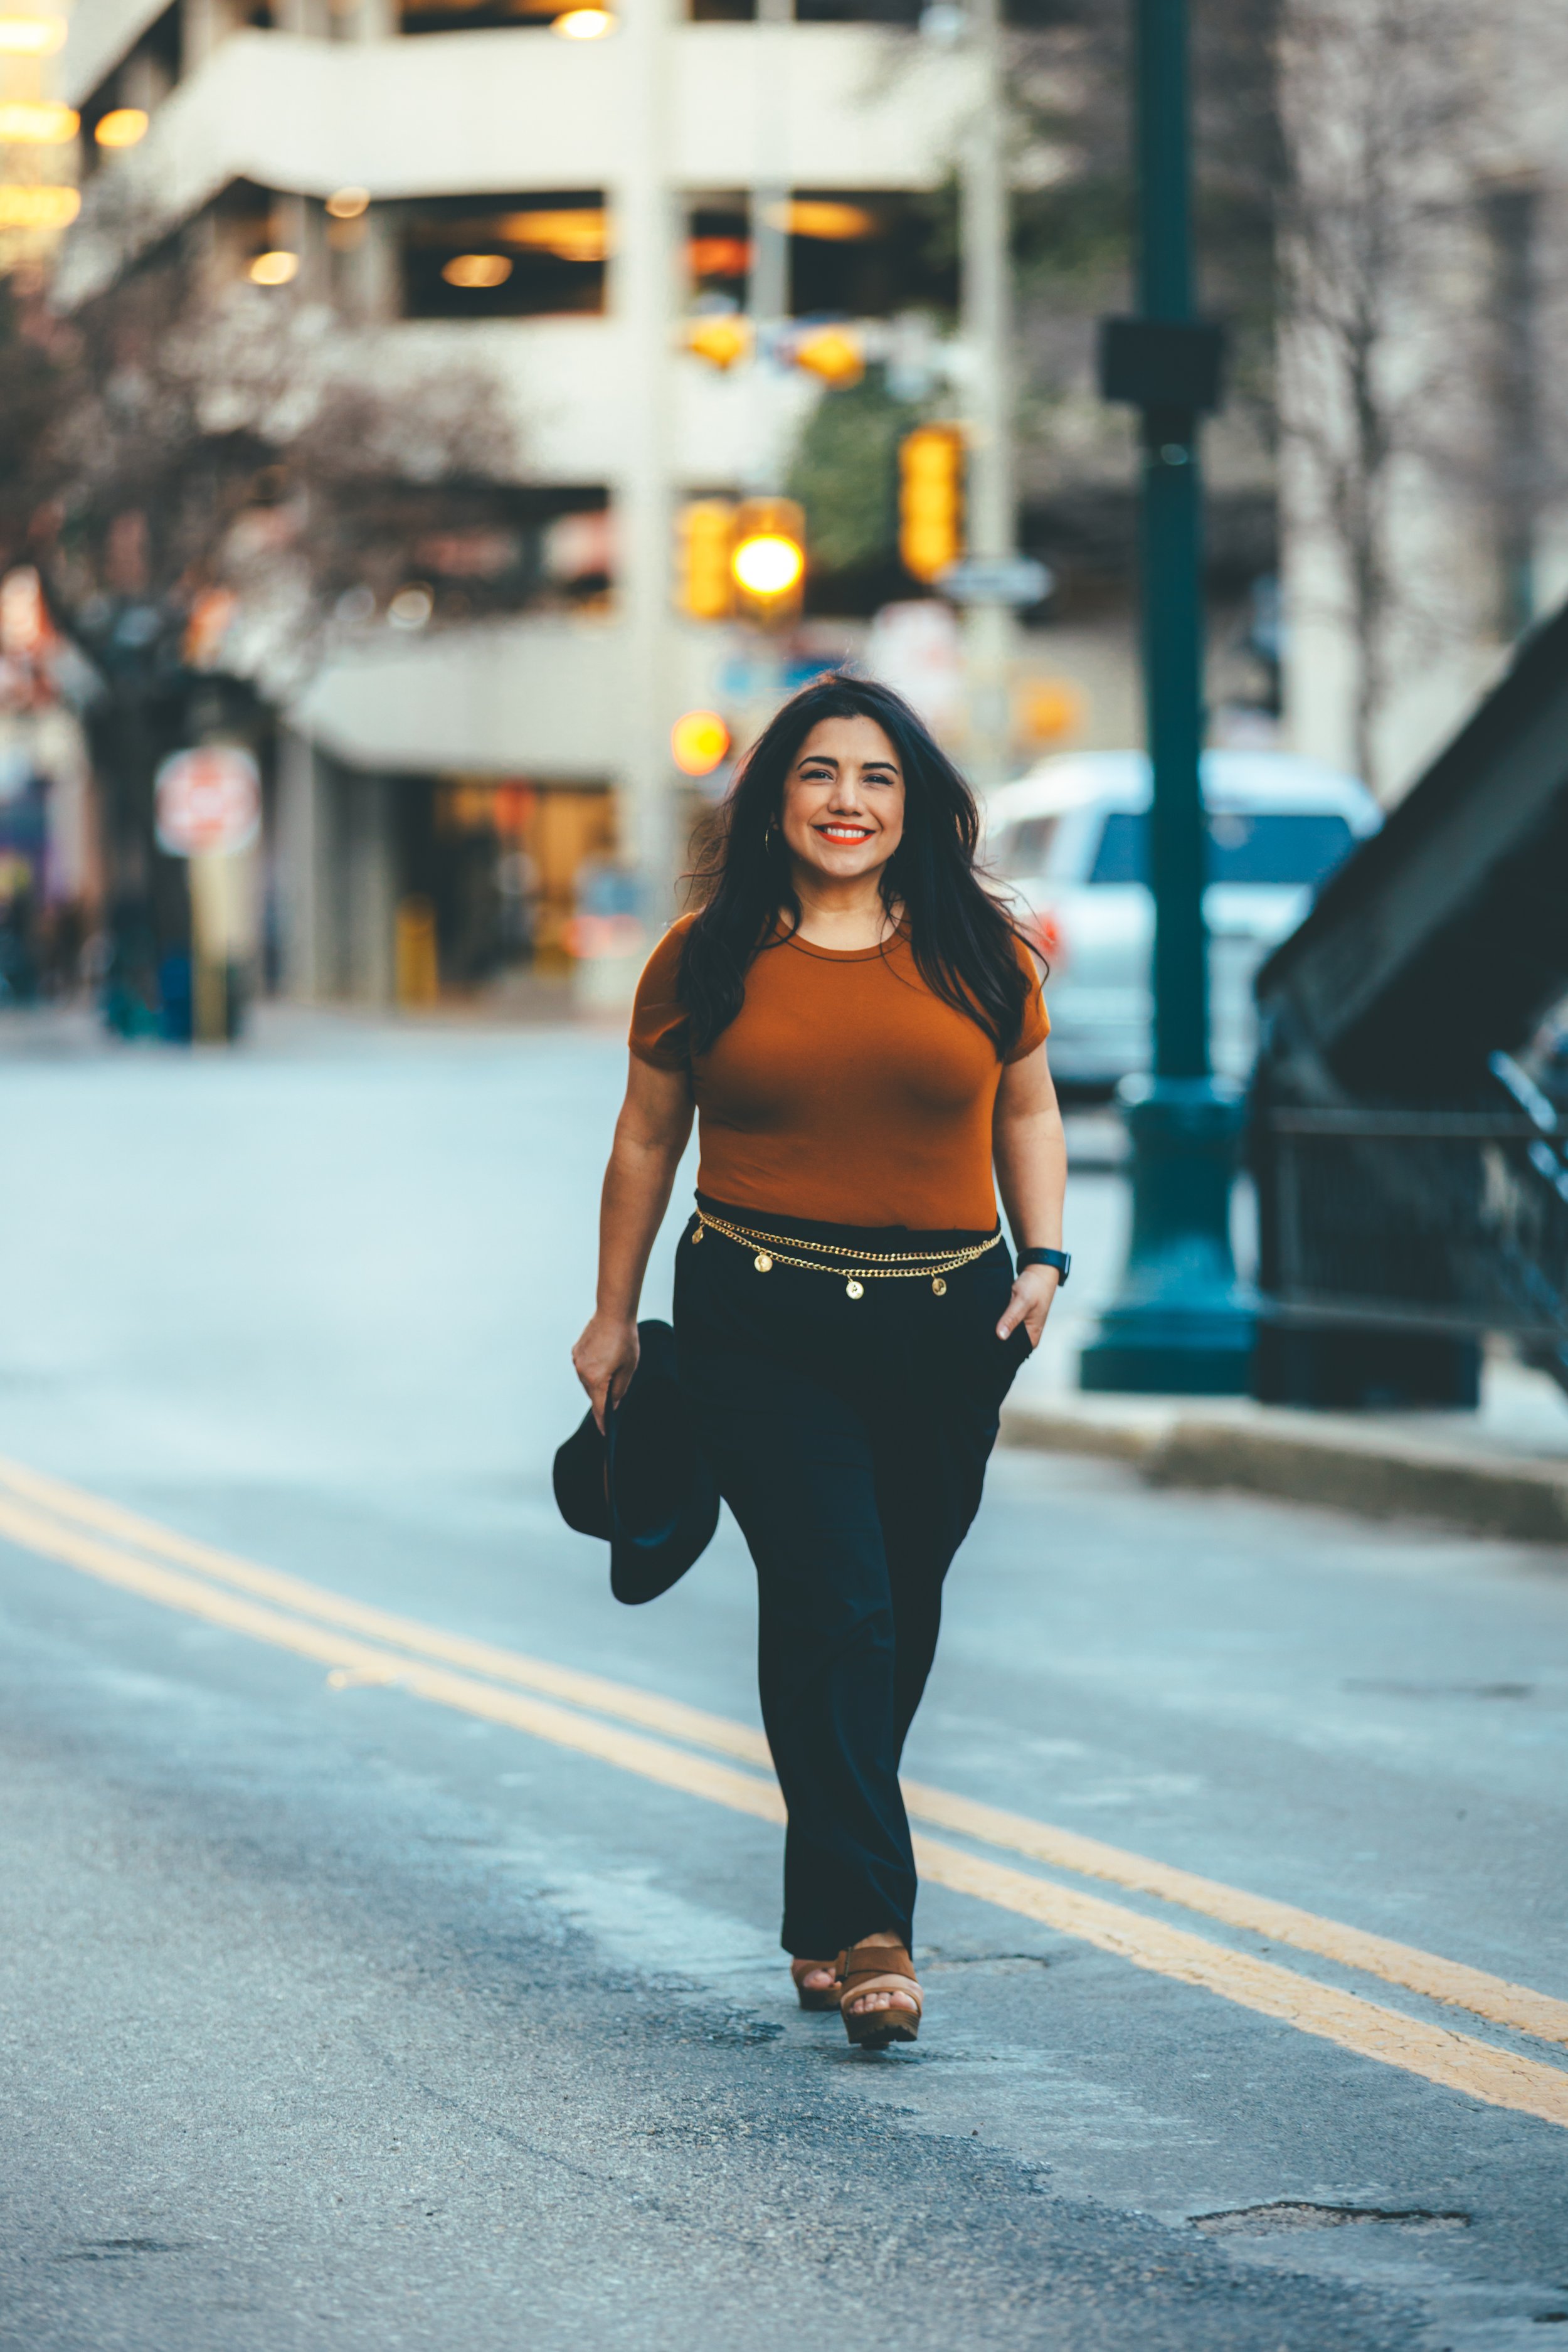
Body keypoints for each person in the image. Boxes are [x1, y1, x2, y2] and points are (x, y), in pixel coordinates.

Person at [571, 672, 1068, 2048]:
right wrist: (609, 1317)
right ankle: (870, 1935)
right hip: (757, 1318)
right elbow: (642, 1141)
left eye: (875, 779)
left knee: (883, 1618)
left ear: (912, 806)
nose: (846, 802)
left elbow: (1025, 1106)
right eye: (818, 775)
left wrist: (1044, 1262)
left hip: (947, 1328)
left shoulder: (982, 949)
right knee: (838, 1599)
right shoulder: (704, 954)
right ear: (774, 798)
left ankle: (816, 1901)